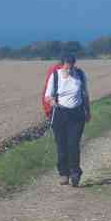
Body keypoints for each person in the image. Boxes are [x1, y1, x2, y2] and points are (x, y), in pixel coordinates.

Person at [45, 54, 91, 187]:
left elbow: (85, 94)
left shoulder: (80, 75)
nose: (69, 69)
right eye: (67, 66)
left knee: (73, 145)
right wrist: (52, 101)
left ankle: (75, 173)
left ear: (74, 64)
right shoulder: (55, 76)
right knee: (61, 146)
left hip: (76, 114)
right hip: (60, 113)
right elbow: (48, 96)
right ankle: (64, 173)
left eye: (71, 66)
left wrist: (88, 111)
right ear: (62, 64)